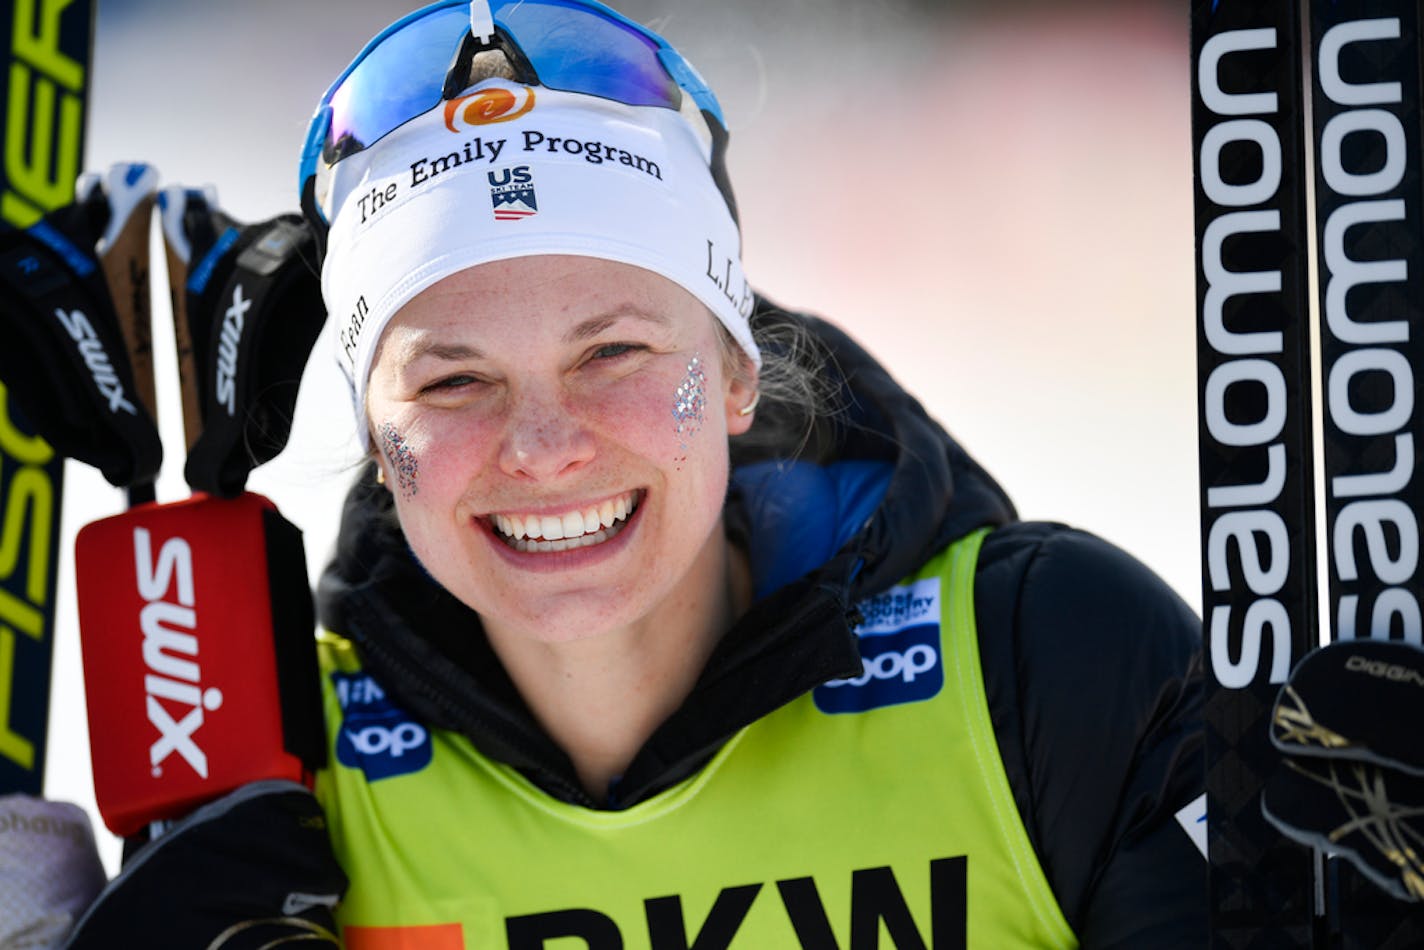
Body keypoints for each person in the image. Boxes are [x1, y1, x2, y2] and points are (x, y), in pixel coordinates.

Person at [69, 1, 1206, 946]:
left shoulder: (1039, 663)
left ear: (733, 374)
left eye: (611, 352)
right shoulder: (280, 781)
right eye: (453, 381)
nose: (543, 445)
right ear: (376, 433)